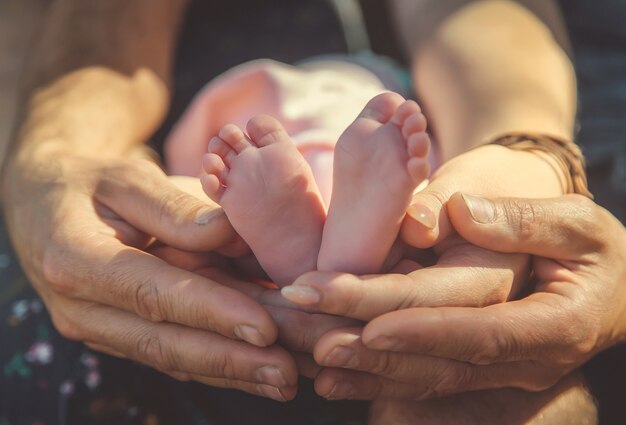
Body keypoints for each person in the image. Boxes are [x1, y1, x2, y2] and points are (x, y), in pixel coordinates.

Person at [0, 0, 623, 423]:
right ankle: (348, 250)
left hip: (235, 115)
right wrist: (60, 148)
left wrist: (528, 152)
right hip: (377, 100)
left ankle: (291, 250)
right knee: (419, 209)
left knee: (197, 205)